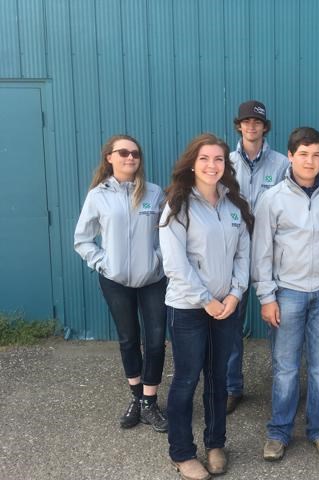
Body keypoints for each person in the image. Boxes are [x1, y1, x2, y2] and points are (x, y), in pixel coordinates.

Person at [160, 133, 252, 480]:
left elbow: (243, 253)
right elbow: (175, 263)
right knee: (186, 379)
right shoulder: (178, 205)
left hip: (226, 308)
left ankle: (216, 443)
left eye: (218, 159)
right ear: (192, 163)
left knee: (217, 379)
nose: (212, 166)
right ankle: (182, 452)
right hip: (188, 308)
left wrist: (235, 294)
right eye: (204, 159)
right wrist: (206, 300)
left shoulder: (233, 205)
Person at [252, 127, 319, 461]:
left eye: (317, 154)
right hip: (287, 293)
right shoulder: (273, 198)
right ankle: (279, 432)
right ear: (290, 156)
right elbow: (261, 252)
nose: (310, 160)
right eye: (303, 154)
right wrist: (266, 297)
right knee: (286, 367)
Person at [74, 134, 168, 433]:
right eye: (124, 152)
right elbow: (82, 239)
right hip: (115, 281)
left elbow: (169, 233)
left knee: (155, 341)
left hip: (152, 279)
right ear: (110, 158)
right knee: (129, 339)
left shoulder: (154, 194)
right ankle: (137, 397)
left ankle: (150, 403)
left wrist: (159, 260)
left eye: (136, 154)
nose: (130, 158)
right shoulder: (97, 196)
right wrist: (103, 262)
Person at [226, 100, 289, 415]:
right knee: (231, 323)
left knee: (277, 321)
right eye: (246, 121)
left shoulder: (280, 164)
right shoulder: (223, 161)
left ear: (265, 127)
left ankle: (282, 385)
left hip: (271, 253)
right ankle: (231, 386)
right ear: (239, 125)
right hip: (232, 254)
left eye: (258, 122)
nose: (252, 126)